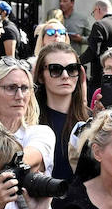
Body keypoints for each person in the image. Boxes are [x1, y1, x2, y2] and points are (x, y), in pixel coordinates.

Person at [32, 44, 89, 180]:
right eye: (55, 69)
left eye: (72, 69)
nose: (65, 76)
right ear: (41, 76)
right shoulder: (30, 122)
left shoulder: (91, 120)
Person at [82, 0, 112, 85]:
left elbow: (93, 52)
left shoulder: (99, 25)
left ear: (98, 9)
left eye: (93, 13)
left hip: (102, 76)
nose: (94, 16)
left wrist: (77, 61)